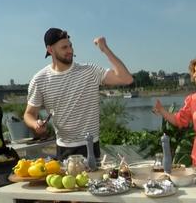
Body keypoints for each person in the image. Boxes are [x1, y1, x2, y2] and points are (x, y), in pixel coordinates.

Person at [24, 27, 134, 160]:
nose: (70, 50)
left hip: (91, 146)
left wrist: (105, 49)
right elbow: (29, 114)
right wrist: (35, 124)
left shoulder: (90, 71)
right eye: (64, 47)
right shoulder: (39, 80)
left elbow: (126, 79)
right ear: (50, 50)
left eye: (70, 46)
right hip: (64, 149)